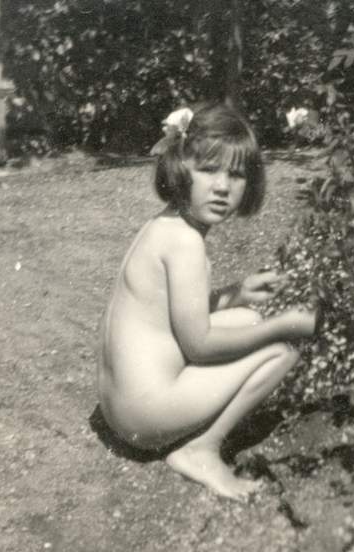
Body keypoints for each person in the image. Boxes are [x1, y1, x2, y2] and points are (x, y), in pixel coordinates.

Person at [96, 103, 316, 501]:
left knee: (246, 315)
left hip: (117, 410)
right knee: (282, 349)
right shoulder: (186, 243)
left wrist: (238, 292)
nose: (222, 187)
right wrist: (284, 324)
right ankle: (200, 450)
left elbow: (176, 312)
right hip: (142, 419)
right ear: (180, 169)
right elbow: (198, 345)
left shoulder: (164, 226)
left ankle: (190, 435)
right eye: (209, 170)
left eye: (236, 175)